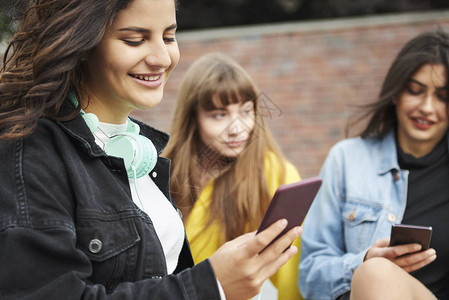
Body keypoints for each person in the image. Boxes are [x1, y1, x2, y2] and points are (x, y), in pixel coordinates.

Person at [0, 0, 302, 299]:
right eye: (135, 40)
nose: (162, 57)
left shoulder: (144, 153)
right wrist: (210, 285)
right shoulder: (30, 151)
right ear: (81, 42)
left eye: (169, 37)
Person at [298, 27, 449, 300]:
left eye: (443, 97)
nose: (427, 107)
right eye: (416, 91)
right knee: (375, 272)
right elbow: (310, 276)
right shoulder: (345, 159)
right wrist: (363, 261)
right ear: (395, 93)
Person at [164, 52, 303, 300]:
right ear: (193, 118)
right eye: (219, 115)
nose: (236, 129)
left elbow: (290, 272)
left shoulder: (275, 173)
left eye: (246, 111)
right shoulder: (163, 172)